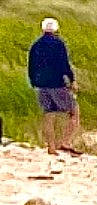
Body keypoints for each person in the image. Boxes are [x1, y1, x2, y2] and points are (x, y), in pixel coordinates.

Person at [28, 18, 80, 154]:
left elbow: (31, 65)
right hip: (57, 83)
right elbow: (64, 64)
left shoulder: (36, 45)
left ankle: (51, 146)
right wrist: (72, 80)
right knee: (74, 112)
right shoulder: (59, 44)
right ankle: (65, 142)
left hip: (42, 84)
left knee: (48, 115)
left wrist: (33, 81)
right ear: (56, 29)